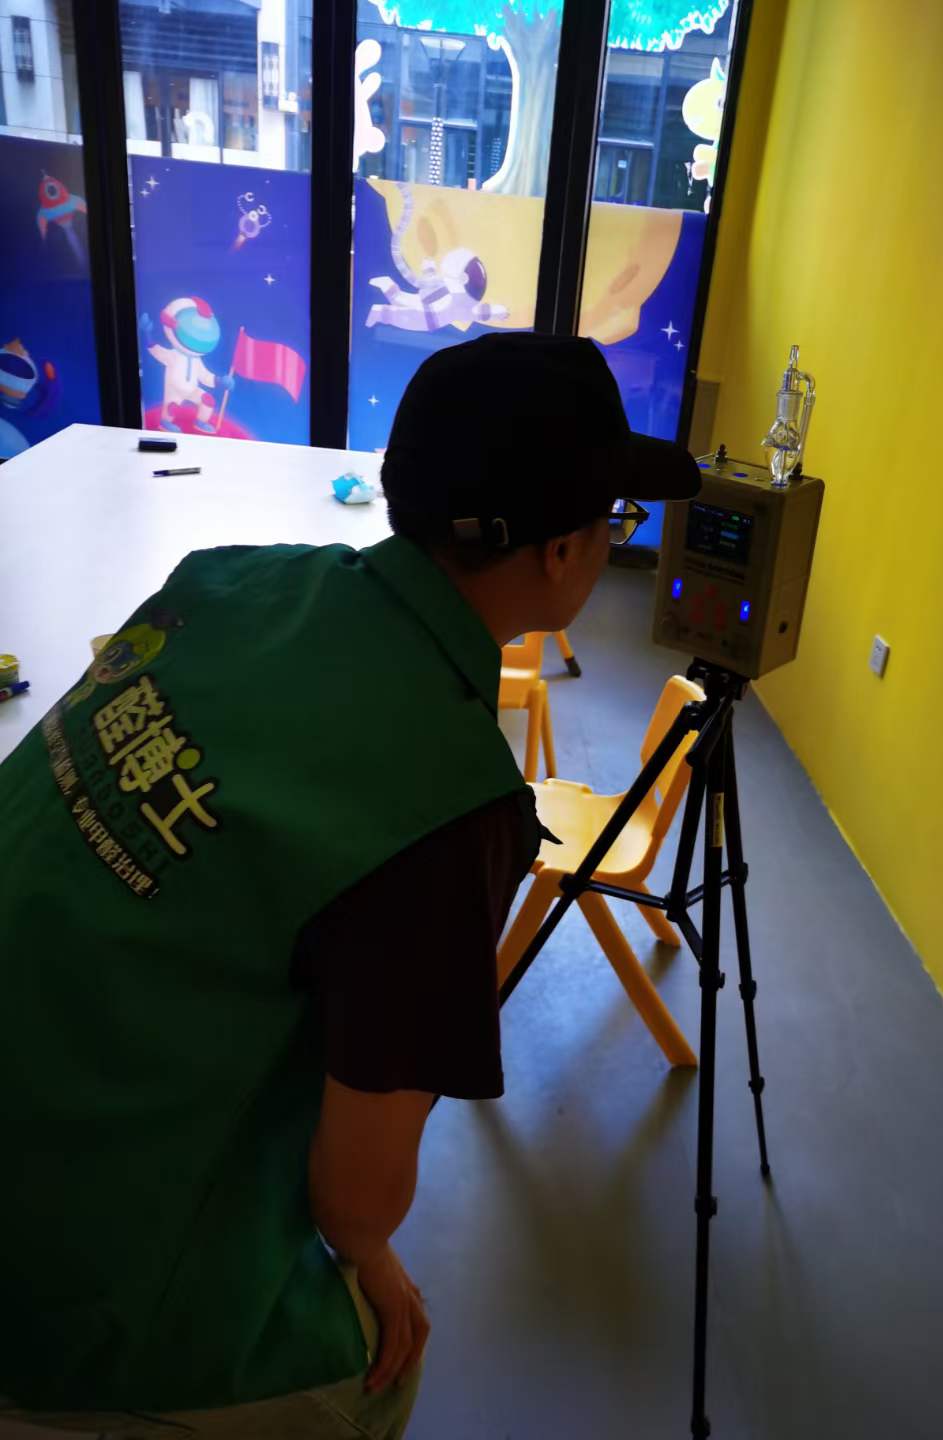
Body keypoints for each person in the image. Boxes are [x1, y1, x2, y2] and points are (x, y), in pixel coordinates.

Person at [0, 333, 700, 1437]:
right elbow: (355, 1198)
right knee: (375, 1371)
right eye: (614, 516)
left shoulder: (225, 577)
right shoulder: (450, 803)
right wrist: (367, 1255)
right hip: (59, 1288)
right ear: (564, 551)